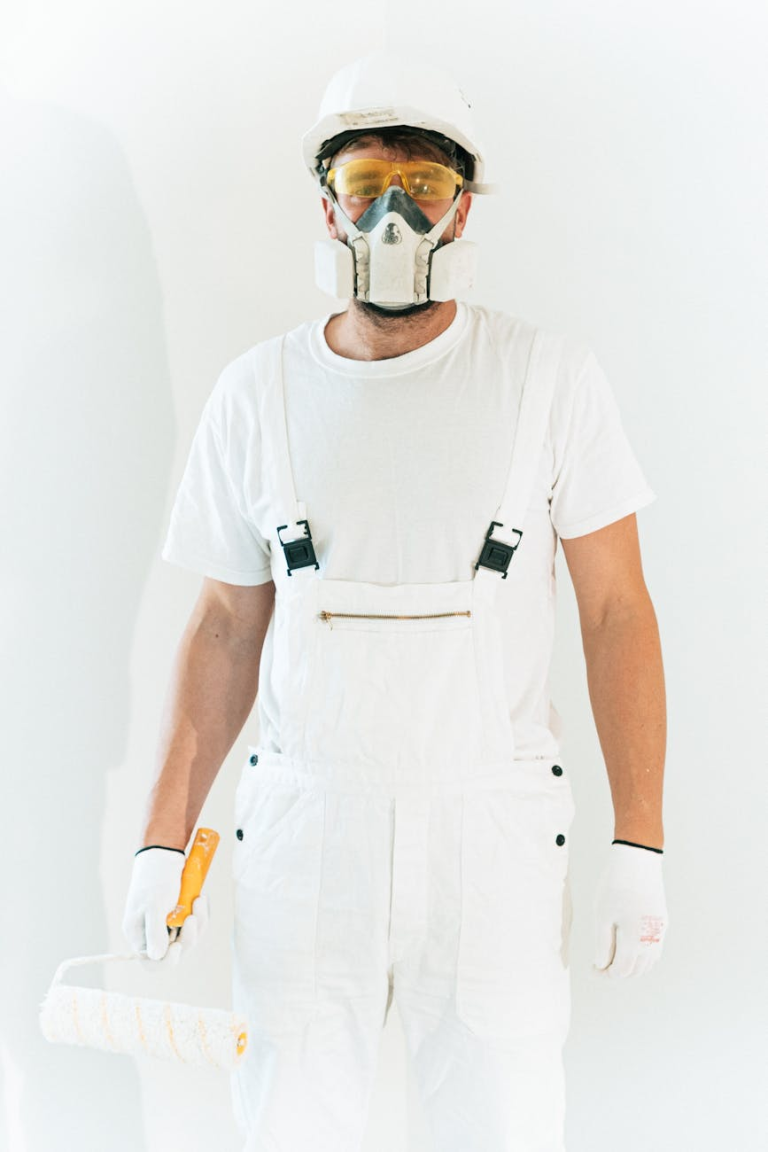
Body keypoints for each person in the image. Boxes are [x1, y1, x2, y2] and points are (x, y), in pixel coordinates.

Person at [122, 50, 668, 1152]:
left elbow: (618, 612)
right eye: (368, 183)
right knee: (289, 1127)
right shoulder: (256, 395)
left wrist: (640, 842)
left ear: (464, 208)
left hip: (493, 843)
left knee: (502, 1129)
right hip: (304, 845)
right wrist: (158, 839)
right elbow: (225, 625)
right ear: (327, 205)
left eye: (422, 189)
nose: (392, 217)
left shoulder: (547, 381)